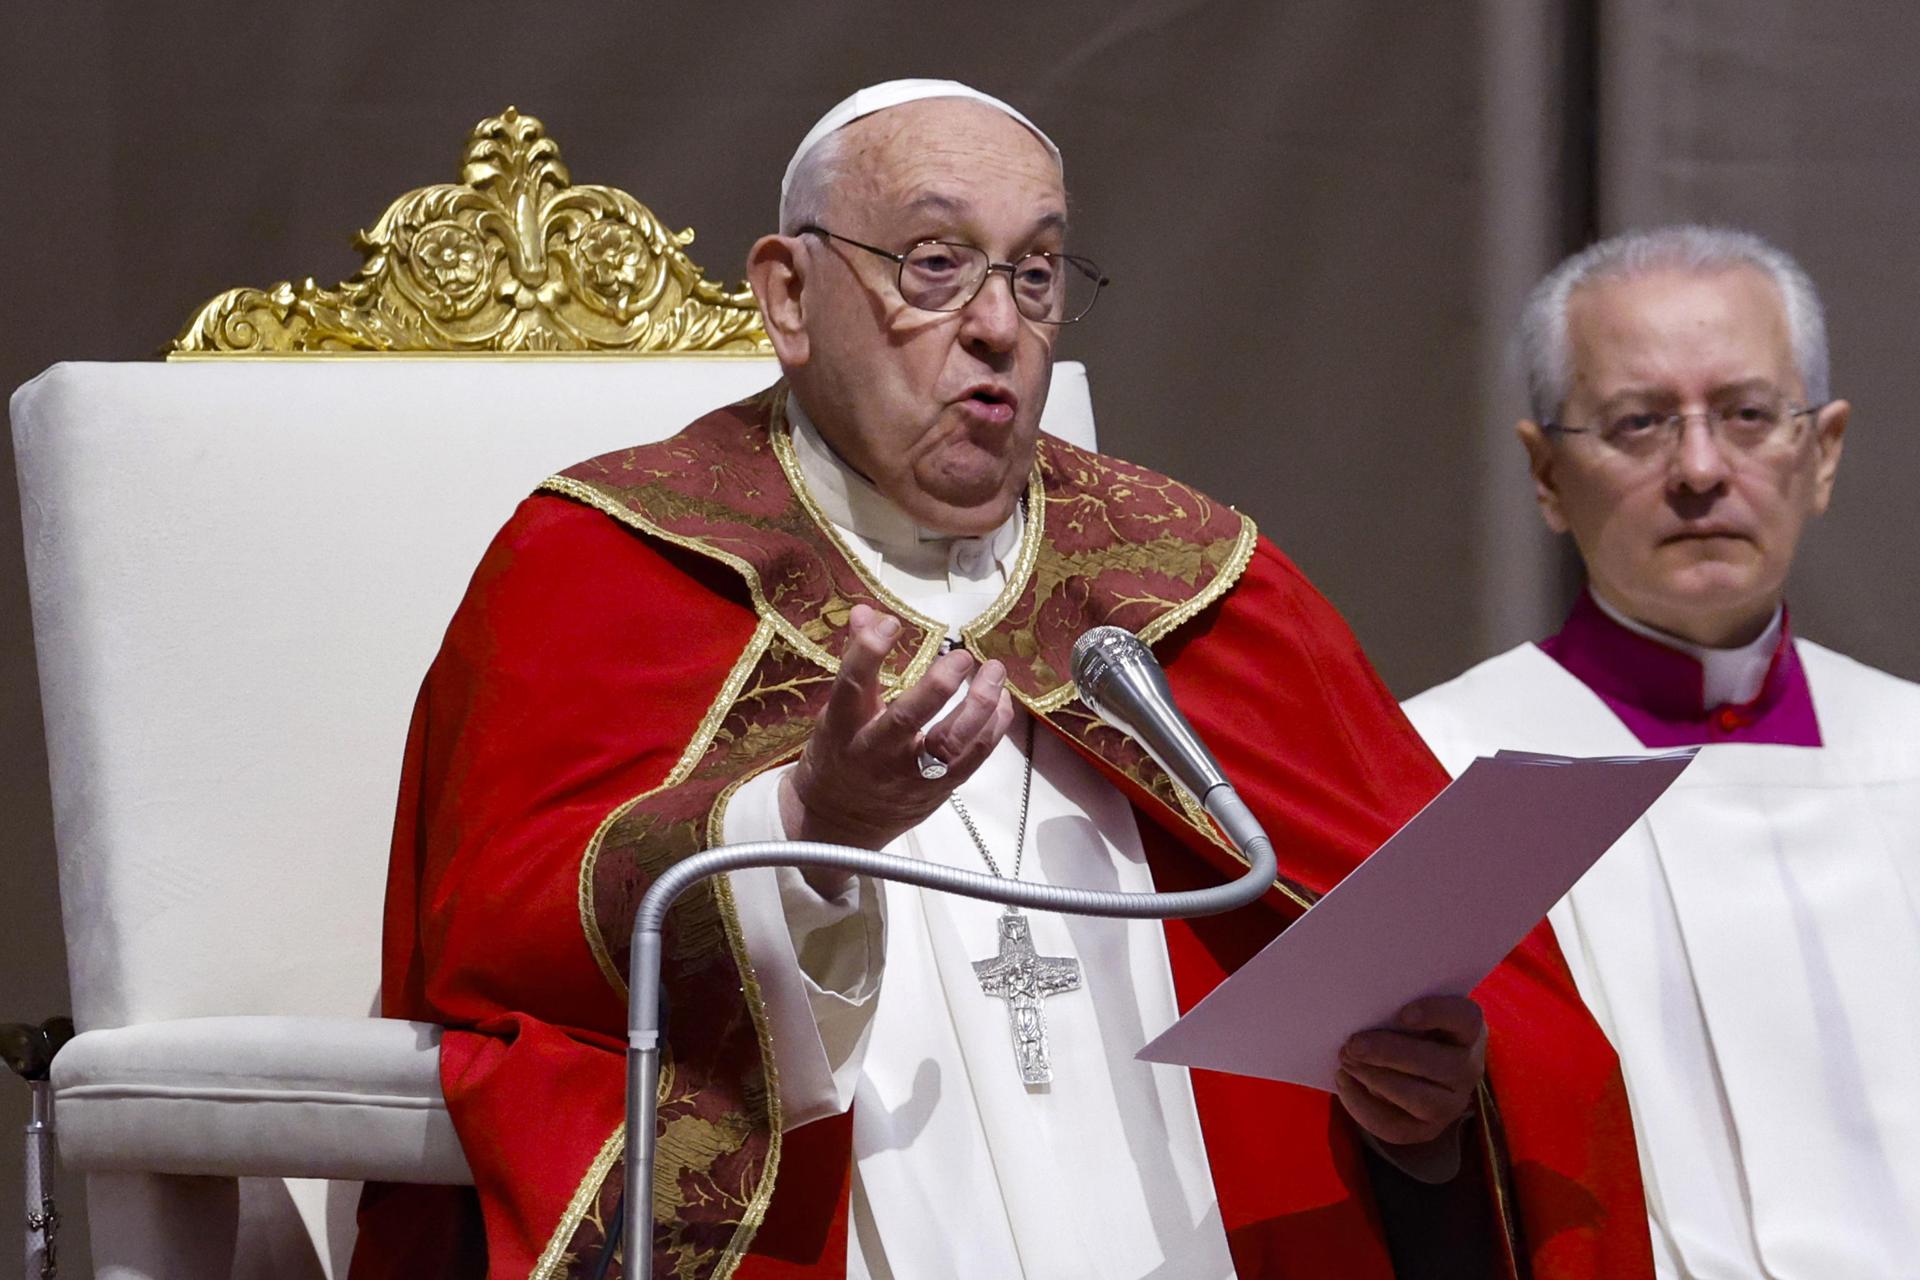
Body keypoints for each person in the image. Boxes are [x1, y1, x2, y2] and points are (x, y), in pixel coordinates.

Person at [351, 81, 1650, 1280]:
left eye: (1036, 274)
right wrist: (806, 833)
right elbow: (504, 947)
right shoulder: (607, 561)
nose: (996, 325)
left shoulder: (1197, 580)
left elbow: (1484, 1031)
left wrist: (1420, 1122)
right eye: (934, 263)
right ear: (790, 295)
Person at [1404, 225, 1920, 1277]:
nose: (1698, 468)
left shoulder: (1907, 746)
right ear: (1546, 473)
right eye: (1637, 423)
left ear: (1820, 453)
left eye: (1745, 415)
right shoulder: (1436, 767)